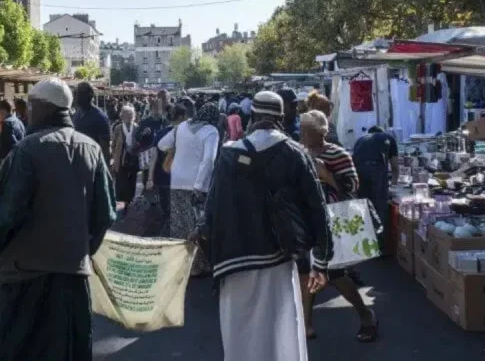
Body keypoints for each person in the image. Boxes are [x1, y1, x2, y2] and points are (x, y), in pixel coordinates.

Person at [0, 78, 117, 361]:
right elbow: (104, 214)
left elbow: (4, 217)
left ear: (41, 107)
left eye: (31, 106)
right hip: (73, 278)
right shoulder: (91, 149)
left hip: (27, 280)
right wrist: (80, 249)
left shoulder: (27, 151)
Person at [197, 91, 331, 361]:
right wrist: (322, 260)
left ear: (253, 117)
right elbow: (317, 208)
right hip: (277, 260)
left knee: (241, 337)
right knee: (280, 336)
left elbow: (211, 211)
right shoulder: (295, 153)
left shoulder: (227, 155)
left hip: (233, 261)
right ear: (281, 118)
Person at [298, 110, 378, 342]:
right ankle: (306, 324)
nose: (303, 134)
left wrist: (326, 174)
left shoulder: (338, 153)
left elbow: (351, 187)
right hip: (305, 221)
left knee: (334, 273)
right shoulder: (299, 152)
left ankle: (366, 315)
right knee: (306, 272)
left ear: (321, 131)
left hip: (332, 221)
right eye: (302, 130)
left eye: (307, 130)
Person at [158, 102, 220, 276]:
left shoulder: (182, 127)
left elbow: (162, 144)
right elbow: (209, 160)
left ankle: (179, 264)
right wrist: (200, 186)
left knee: (179, 223)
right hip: (196, 184)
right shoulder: (211, 131)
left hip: (177, 181)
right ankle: (197, 266)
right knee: (197, 225)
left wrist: (178, 149)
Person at [146, 104, 188, 236]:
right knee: (180, 211)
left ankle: (167, 235)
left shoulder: (161, 133)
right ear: (182, 117)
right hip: (181, 180)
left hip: (163, 177)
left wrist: (150, 178)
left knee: (167, 211)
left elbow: (153, 157)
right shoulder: (189, 135)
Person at [353, 125, 399, 230]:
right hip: (376, 170)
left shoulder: (360, 140)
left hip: (359, 172)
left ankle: (365, 237)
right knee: (380, 206)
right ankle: (380, 241)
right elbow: (395, 167)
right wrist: (393, 186)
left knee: (363, 205)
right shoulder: (388, 137)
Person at [73, 82, 112, 165]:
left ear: (89, 96)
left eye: (78, 94)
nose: (75, 97)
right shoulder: (77, 114)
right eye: (75, 94)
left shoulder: (100, 117)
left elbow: (105, 148)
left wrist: (106, 169)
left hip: (93, 163)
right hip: (78, 162)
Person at [111, 105, 140, 214]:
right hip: (120, 159)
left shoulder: (137, 127)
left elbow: (139, 142)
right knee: (120, 181)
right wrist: (115, 156)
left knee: (131, 181)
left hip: (132, 159)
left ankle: (129, 200)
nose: (129, 117)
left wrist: (136, 145)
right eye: (126, 115)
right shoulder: (118, 128)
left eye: (131, 115)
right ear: (122, 116)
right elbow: (113, 144)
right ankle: (121, 202)